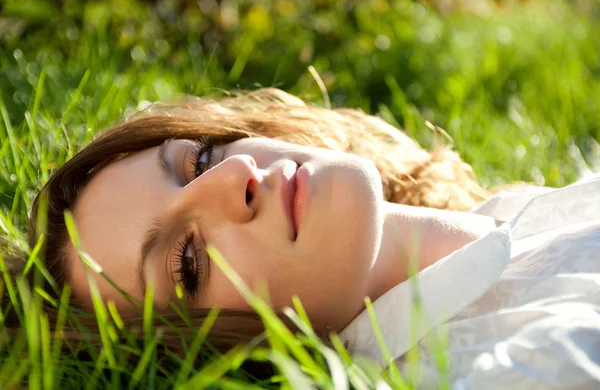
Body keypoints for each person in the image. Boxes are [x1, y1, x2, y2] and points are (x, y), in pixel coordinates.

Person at [7, 88, 600, 387]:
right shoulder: (527, 366)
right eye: (188, 262)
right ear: (229, 354)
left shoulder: (525, 217)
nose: (233, 178)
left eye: (198, 160)